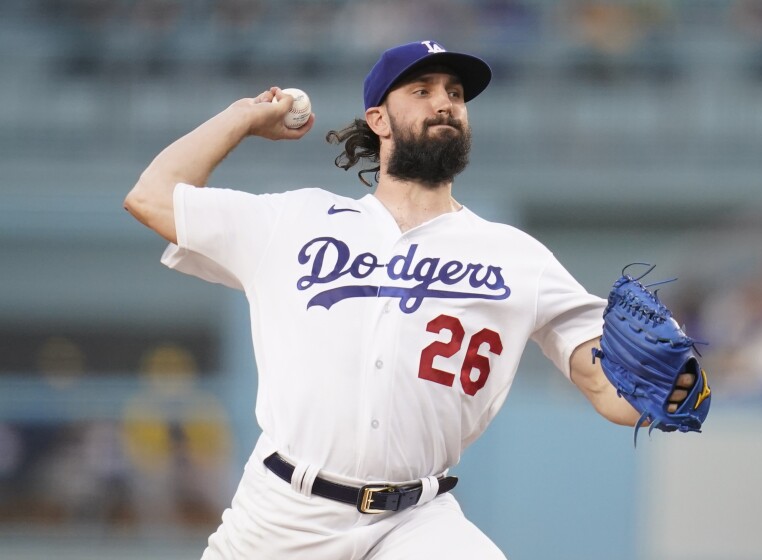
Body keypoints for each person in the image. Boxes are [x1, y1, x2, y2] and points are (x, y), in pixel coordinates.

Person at [124, 39, 696, 559]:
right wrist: (243, 117)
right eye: (421, 91)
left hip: (416, 523)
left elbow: (606, 387)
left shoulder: (517, 256)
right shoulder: (295, 220)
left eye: (455, 94)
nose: (443, 103)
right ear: (379, 120)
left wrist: (672, 391)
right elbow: (150, 197)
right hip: (282, 514)